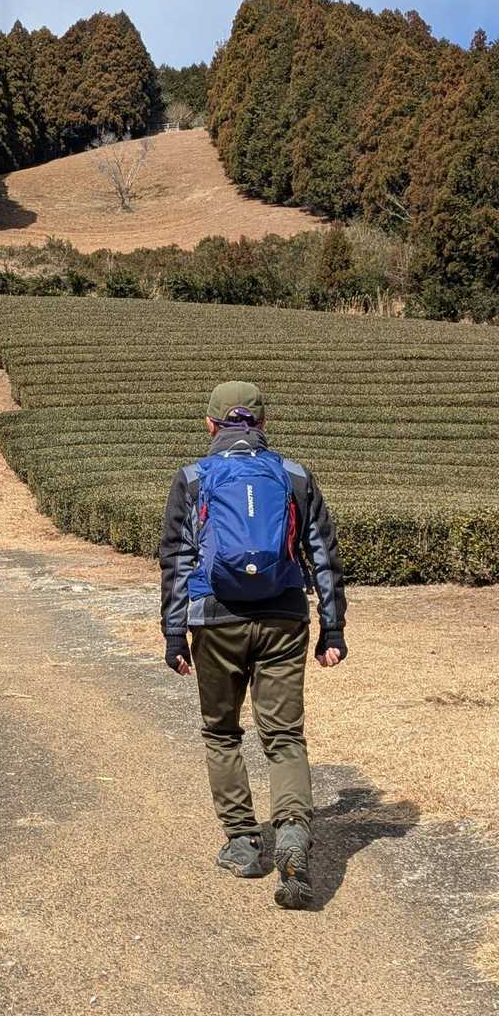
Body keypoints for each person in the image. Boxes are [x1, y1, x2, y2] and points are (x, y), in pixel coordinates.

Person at [159, 380, 347, 908]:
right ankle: (292, 831)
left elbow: (176, 560)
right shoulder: (295, 475)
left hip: (214, 621)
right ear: (263, 424)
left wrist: (175, 633)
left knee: (222, 732)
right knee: (284, 735)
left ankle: (243, 843)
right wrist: (332, 629)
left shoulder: (193, 477)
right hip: (284, 617)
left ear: (210, 424)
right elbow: (323, 555)